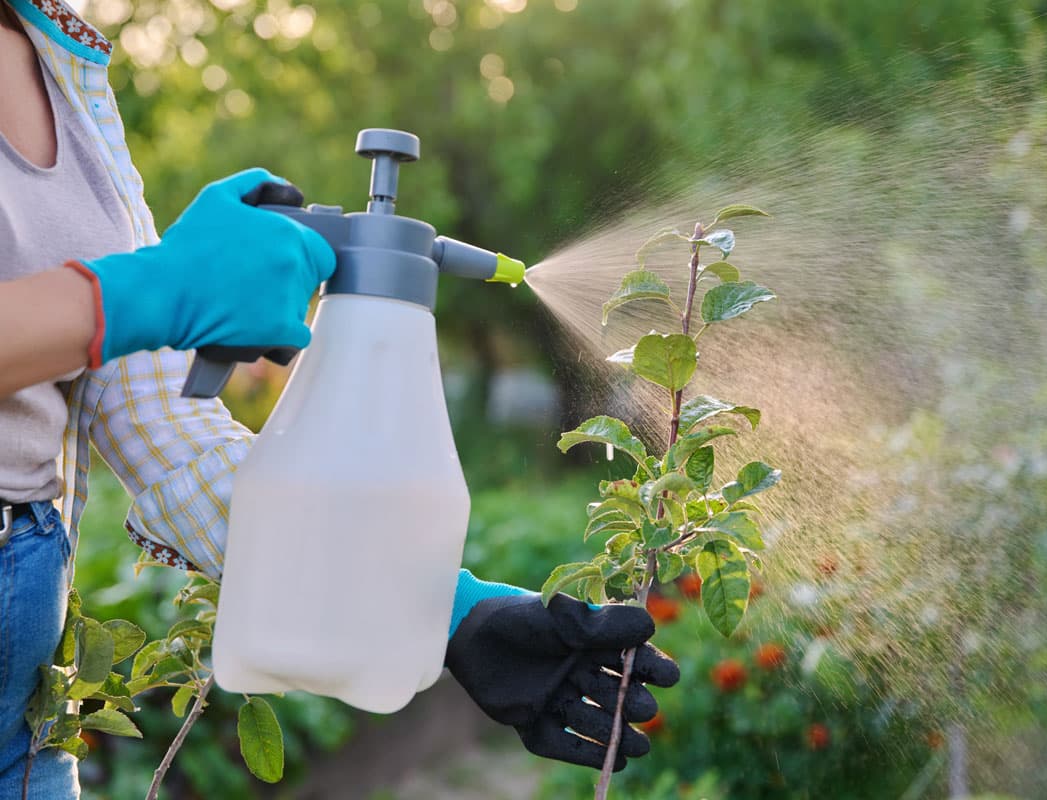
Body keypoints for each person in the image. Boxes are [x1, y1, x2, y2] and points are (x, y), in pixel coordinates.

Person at [0, 0, 678, 796]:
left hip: (25, 722)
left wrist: (443, 607)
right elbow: (132, 303)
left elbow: (158, 423)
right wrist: (140, 293)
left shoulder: (59, 54)